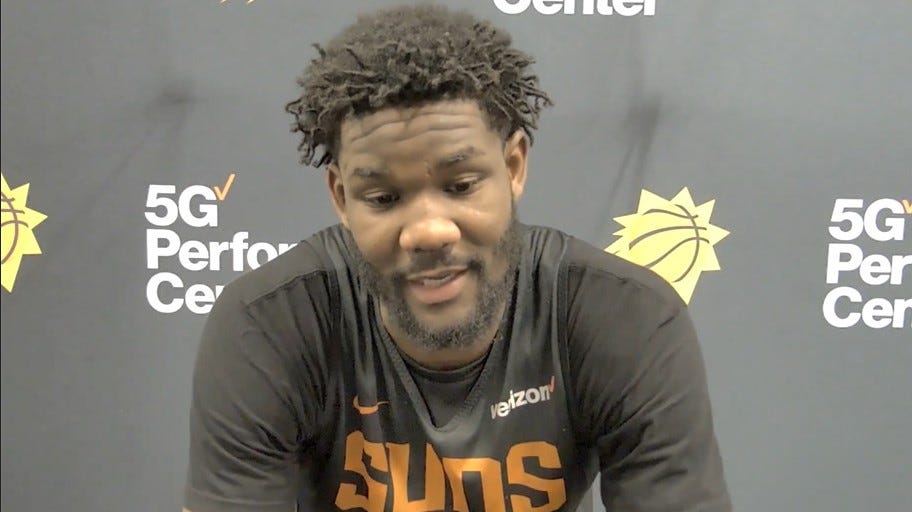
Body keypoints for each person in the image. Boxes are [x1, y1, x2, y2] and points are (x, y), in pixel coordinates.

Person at [182, 4, 732, 511]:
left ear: (513, 167)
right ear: (342, 198)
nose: (428, 231)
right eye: (383, 198)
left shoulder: (622, 316)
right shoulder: (270, 326)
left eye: (461, 185)